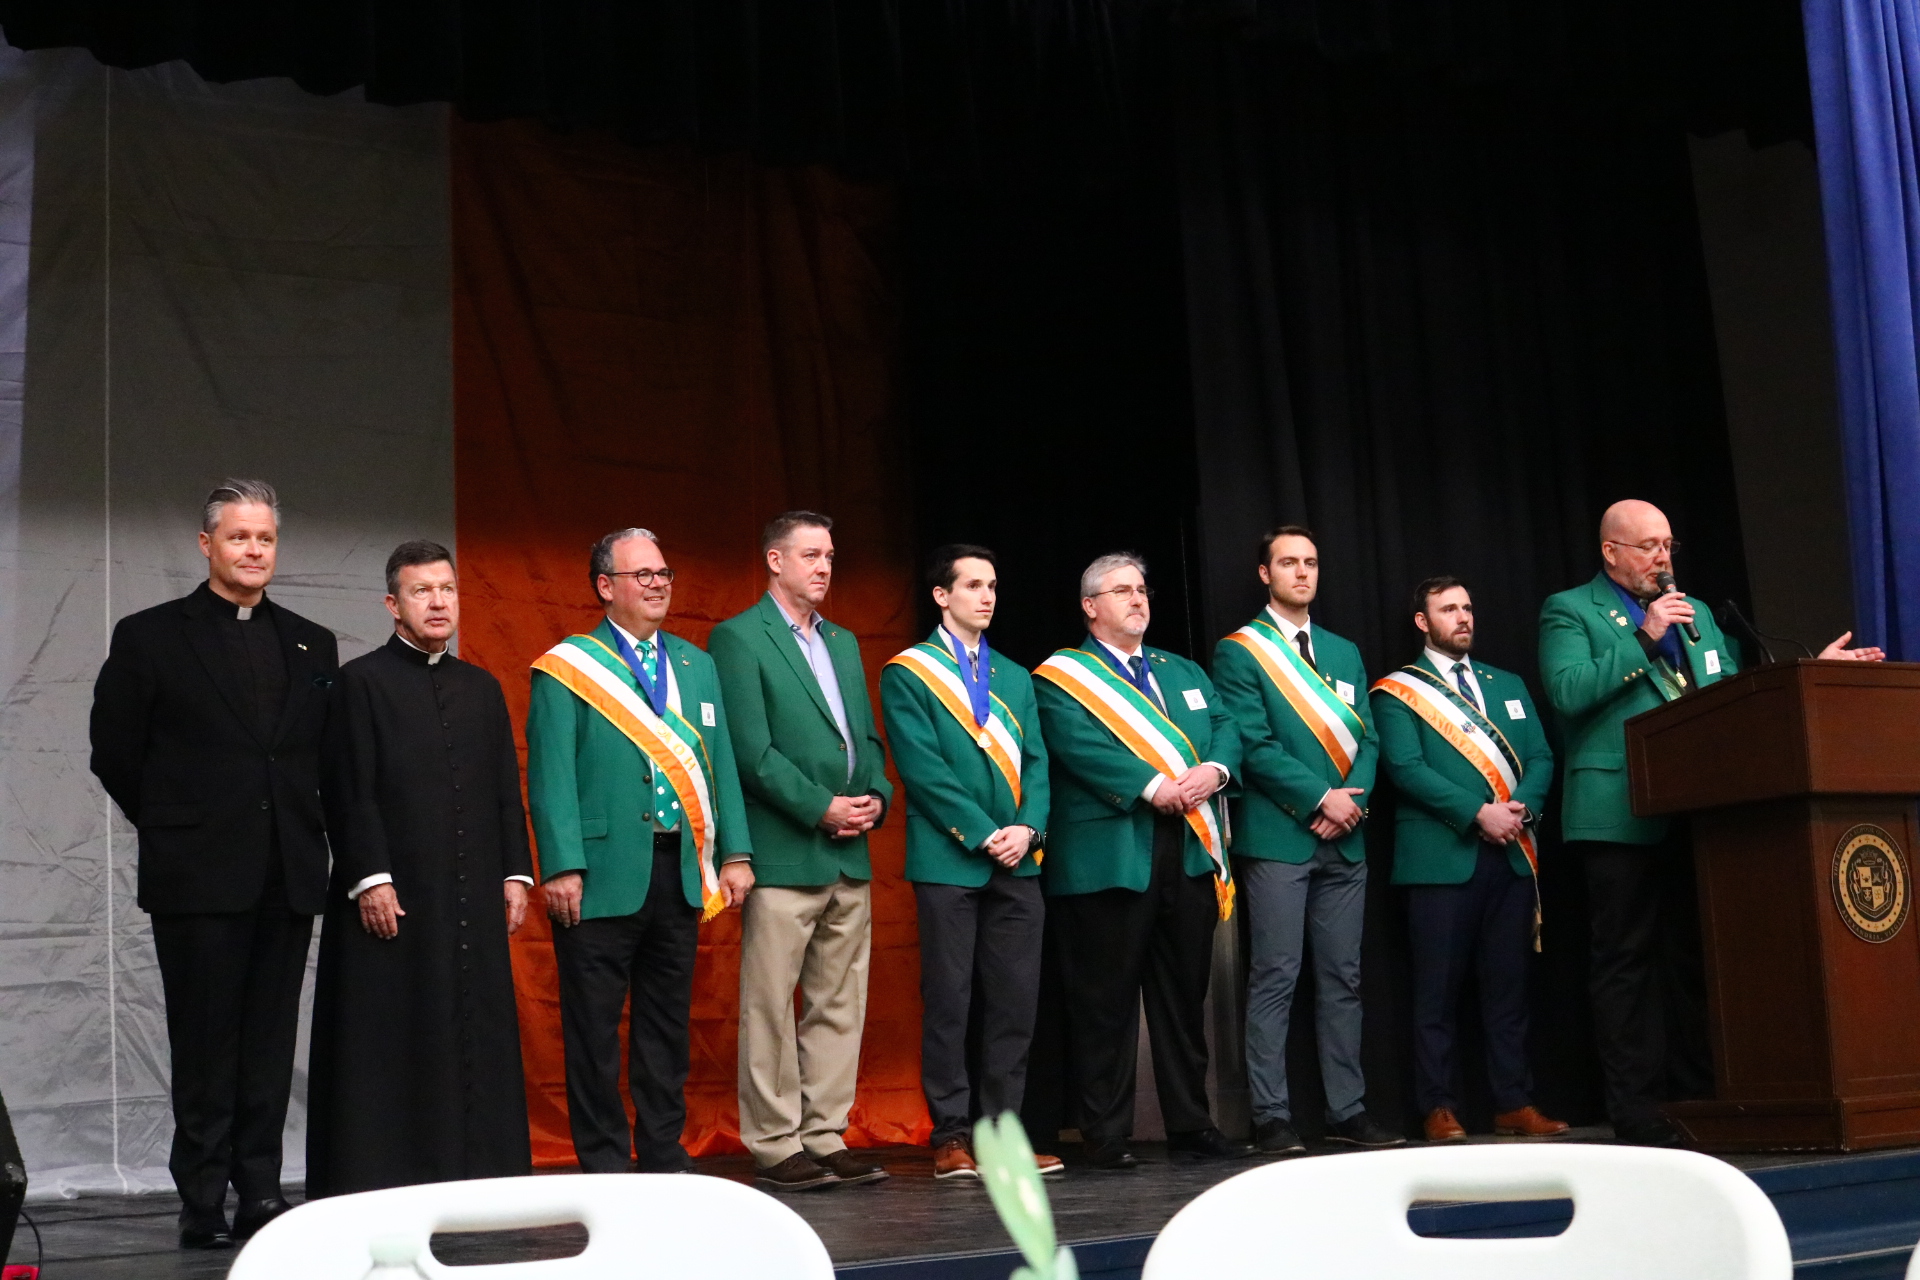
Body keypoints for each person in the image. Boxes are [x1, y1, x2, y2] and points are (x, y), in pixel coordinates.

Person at [1539, 498, 1883, 1145]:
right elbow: (1568, 691)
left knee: (1698, 958)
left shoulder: (1694, 613)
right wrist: (1644, 637)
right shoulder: (1571, 610)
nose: (1662, 558)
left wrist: (1809, 675)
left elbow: (1731, 698)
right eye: (1648, 546)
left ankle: (1700, 1097)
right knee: (1627, 965)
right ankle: (1638, 1110)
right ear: (1611, 551)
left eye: (1667, 545)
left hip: (1697, 813)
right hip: (1618, 813)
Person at [88, 480, 337, 1248]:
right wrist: (179, 826)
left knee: (268, 1046)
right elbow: (115, 752)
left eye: (265, 538)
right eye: (238, 537)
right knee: (204, 1045)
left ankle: (259, 1191)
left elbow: (318, 757)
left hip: (286, 873)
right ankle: (201, 1200)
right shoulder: (150, 636)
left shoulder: (312, 641)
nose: (253, 550)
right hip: (197, 875)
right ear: (207, 545)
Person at [307, 541, 535, 1196]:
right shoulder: (361, 682)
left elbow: (504, 789)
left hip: (471, 894)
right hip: (397, 895)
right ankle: (392, 1176)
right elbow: (348, 789)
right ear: (393, 604)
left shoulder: (481, 687)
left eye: (447, 589)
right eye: (421, 591)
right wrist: (370, 878)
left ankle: (479, 1176)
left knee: (473, 1032)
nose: (438, 603)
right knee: (394, 1036)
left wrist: (515, 872)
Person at [527, 528, 755, 1173]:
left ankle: (662, 1154)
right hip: (598, 873)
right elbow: (550, 773)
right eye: (642, 575)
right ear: (605, 586)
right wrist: (562, 865)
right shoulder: (568, 666)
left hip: (679, 870)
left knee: (666, 1027)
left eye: (663, 573)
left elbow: (721, 764)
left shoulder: (696, 665)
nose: (658, 585)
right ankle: (603, 1163)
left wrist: (736, 852)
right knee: (593, 1030)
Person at [1033, 552, 1248, 1171]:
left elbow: (1225, 726)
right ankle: (1104, 1132)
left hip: (1187, 852)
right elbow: (1078, 745)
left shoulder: (1183, 670)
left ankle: (1191, 1123)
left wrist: (1215, 769)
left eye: (1142, 590)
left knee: (1183, 1000)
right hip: (1108, 856)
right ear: (1090, 606)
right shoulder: (1060, 678)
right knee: (1105, 1003)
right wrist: (1152, 786)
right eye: (1122, 591)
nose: (1137, 599)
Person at [709, 512, 893, 1192]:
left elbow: (864, 739)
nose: (824, 567)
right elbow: (750, 753)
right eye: (811, 555)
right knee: (769, 1006)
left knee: (839, 1002)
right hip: (786, 851)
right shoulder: (737, 636)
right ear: (774, 561)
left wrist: (875, 797)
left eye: (830, 556)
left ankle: (824, 1133)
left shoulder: (843, 641)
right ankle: (774, 1142)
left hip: (849, 853)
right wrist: (822, 807)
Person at [1211, 525, 1401, 1154]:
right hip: (1278, 837)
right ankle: (1271, 1115)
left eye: (1311, 562)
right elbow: (1253, 744)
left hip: (1345, 837)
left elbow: (1368, 737)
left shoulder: (1344, 651)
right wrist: (1320, 798)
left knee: (1344, 978)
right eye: (1288, 562)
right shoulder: (1240, 651)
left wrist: (1351, 803)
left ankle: (1348, 1109)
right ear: (1264, 573)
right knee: (1276, 976)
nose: (1302, 572)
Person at [880, 545, 1060, 1180]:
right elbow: (923, 770)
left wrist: (1028, 830)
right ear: (942, 595)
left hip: (1019, 863)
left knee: (1015, 1005)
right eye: (974, 585)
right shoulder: (909, 672)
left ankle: (1004, 1136)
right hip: (949, 861)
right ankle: (951, 1136)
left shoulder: (1014, 674)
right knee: (950, 1001)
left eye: (992, 585)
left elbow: (1037, 762)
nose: (987, 596)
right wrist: (986, 834)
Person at [1370, 576, 1567, 1143]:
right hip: (1440, 858)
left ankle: (1513, 1102)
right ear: (1422, 621)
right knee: (1435, 992)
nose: (1463, 617)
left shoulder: (1508, 684)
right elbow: (1406, 769)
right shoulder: (1398, 691)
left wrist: (1522, 808)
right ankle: (1437, 1105)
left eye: (1467, 608)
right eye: (1448, 609)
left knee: (1508, 988)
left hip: (1511, 854)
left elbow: (1540, 756)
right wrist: (1479, 813)